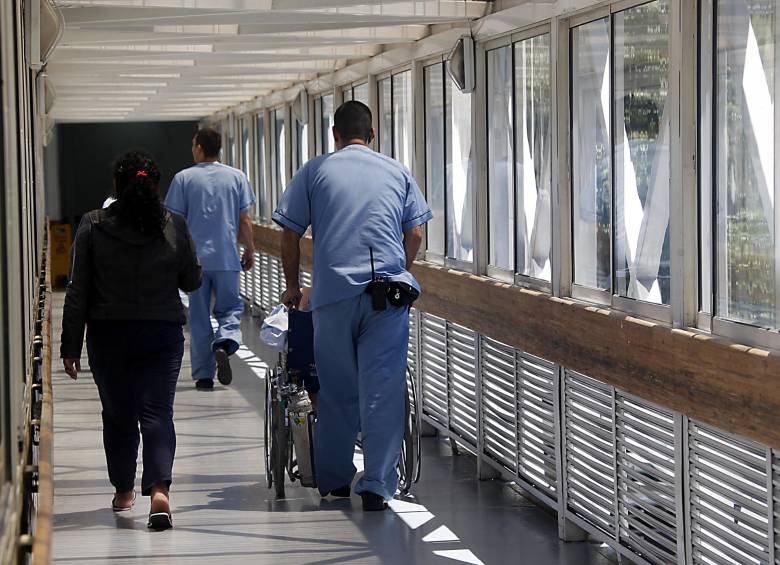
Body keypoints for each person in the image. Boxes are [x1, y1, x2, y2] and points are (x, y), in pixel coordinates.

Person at [273, 101, 432, 511]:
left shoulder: (315, 171)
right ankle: (378, 485)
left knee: (338, 392)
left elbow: (289, 232)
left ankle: (335, 480)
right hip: (386, 299)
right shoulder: (397, 171)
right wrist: (399, 267)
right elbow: (414, 231)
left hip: (333, 299)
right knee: (382, 392)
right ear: (373, 134)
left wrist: (293, 287)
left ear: (334, 135)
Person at [61, 151, 202, 531]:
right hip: (162, 333)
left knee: (118, 415)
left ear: (116, 186)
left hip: (109, 335)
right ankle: (159, 491)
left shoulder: (93, 224)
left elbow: (78, 290)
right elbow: (191, 281)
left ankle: (124, 490)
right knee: (157, 414)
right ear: (155, 185)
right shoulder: (175, 224)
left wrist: (69, 345)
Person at [164, 128, 256, 390]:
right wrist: (249, 249)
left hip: (195, 262)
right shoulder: (237, 177)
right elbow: (245, 220)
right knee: (230, 310)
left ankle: (204, 376)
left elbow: (173, 222)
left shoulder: (183, 178)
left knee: (199, 316)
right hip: (227, 259)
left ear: (200, 148)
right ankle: (224, 342)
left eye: (194, 145)